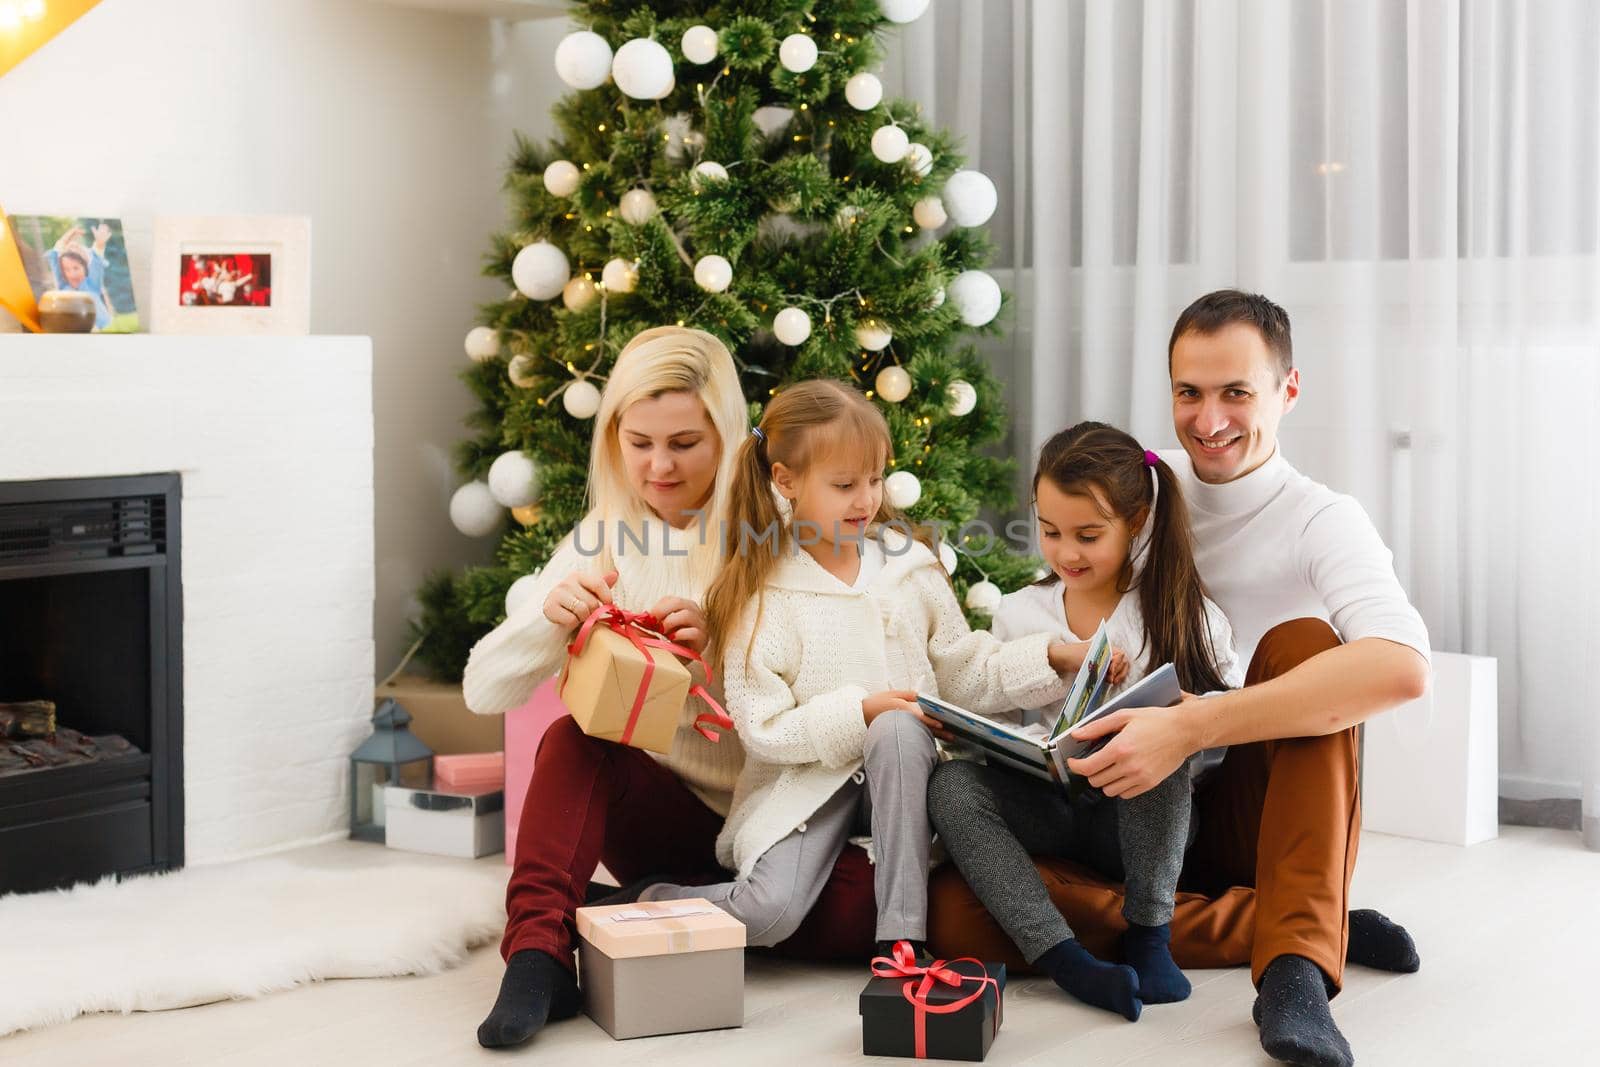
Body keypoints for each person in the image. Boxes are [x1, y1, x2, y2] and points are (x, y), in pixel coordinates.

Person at [1063, 290, 1431, 1066]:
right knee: (961, 906)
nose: (1208, 418)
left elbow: (1402, 666)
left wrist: (1196, 723)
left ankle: (1294, 966)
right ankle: (1297, 914)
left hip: (1255, 811)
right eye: (1188, 392)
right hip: (1138, 811)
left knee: (1305, 644)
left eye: (1237, 392)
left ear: (1286, 391)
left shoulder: (1321, 518)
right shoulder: (1140, 502)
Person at [630, 380, 1095, 960]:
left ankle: (901, 944)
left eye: (874, 480)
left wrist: (1050, 655)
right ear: (786, 481)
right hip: (810, 787)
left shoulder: (910, 570)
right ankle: (643, 902)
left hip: (909, 776)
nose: (866, 500)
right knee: (768, 915)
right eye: (845, 485)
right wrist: (860, 711)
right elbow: (763, 729)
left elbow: (963, 672)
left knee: (899, 730)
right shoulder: (762, 593)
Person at [464, 326, 752, 1049]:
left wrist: (718, 653)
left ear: (727, 434)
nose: (658, 465)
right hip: (654, 820)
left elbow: (818, 715)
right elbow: (484, 689)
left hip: (766, 834)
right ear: (612, 435)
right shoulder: (604, 534)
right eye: (638, 440)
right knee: (573, 737)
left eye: (685, 442)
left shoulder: (769, 536)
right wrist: (549, 619)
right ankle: (536, 957)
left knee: (852, 915)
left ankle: (621, 910)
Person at [930, 421, 1243, 1020]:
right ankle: (1065, 959)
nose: (1066, 553)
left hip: (1137, 824)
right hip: (1050, 810)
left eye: (1088, 535)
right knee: (951, 786)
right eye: (1049, 532)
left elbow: (1228, 726)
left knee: (1161, 745)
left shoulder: (1181, 613)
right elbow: (991, 706)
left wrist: (1186, 722)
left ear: (1136, 520)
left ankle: (1149, 937)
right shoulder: (1023, 614)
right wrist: (978, 725)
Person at [46, 223, 114, 329]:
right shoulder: (63, 285)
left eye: (76, 268)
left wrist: (100, 244)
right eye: (67, 269)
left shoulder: (91, 284)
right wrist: (68, 235)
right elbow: (55, 255)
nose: (72, 274)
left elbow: (97, 261)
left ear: (85, 266)